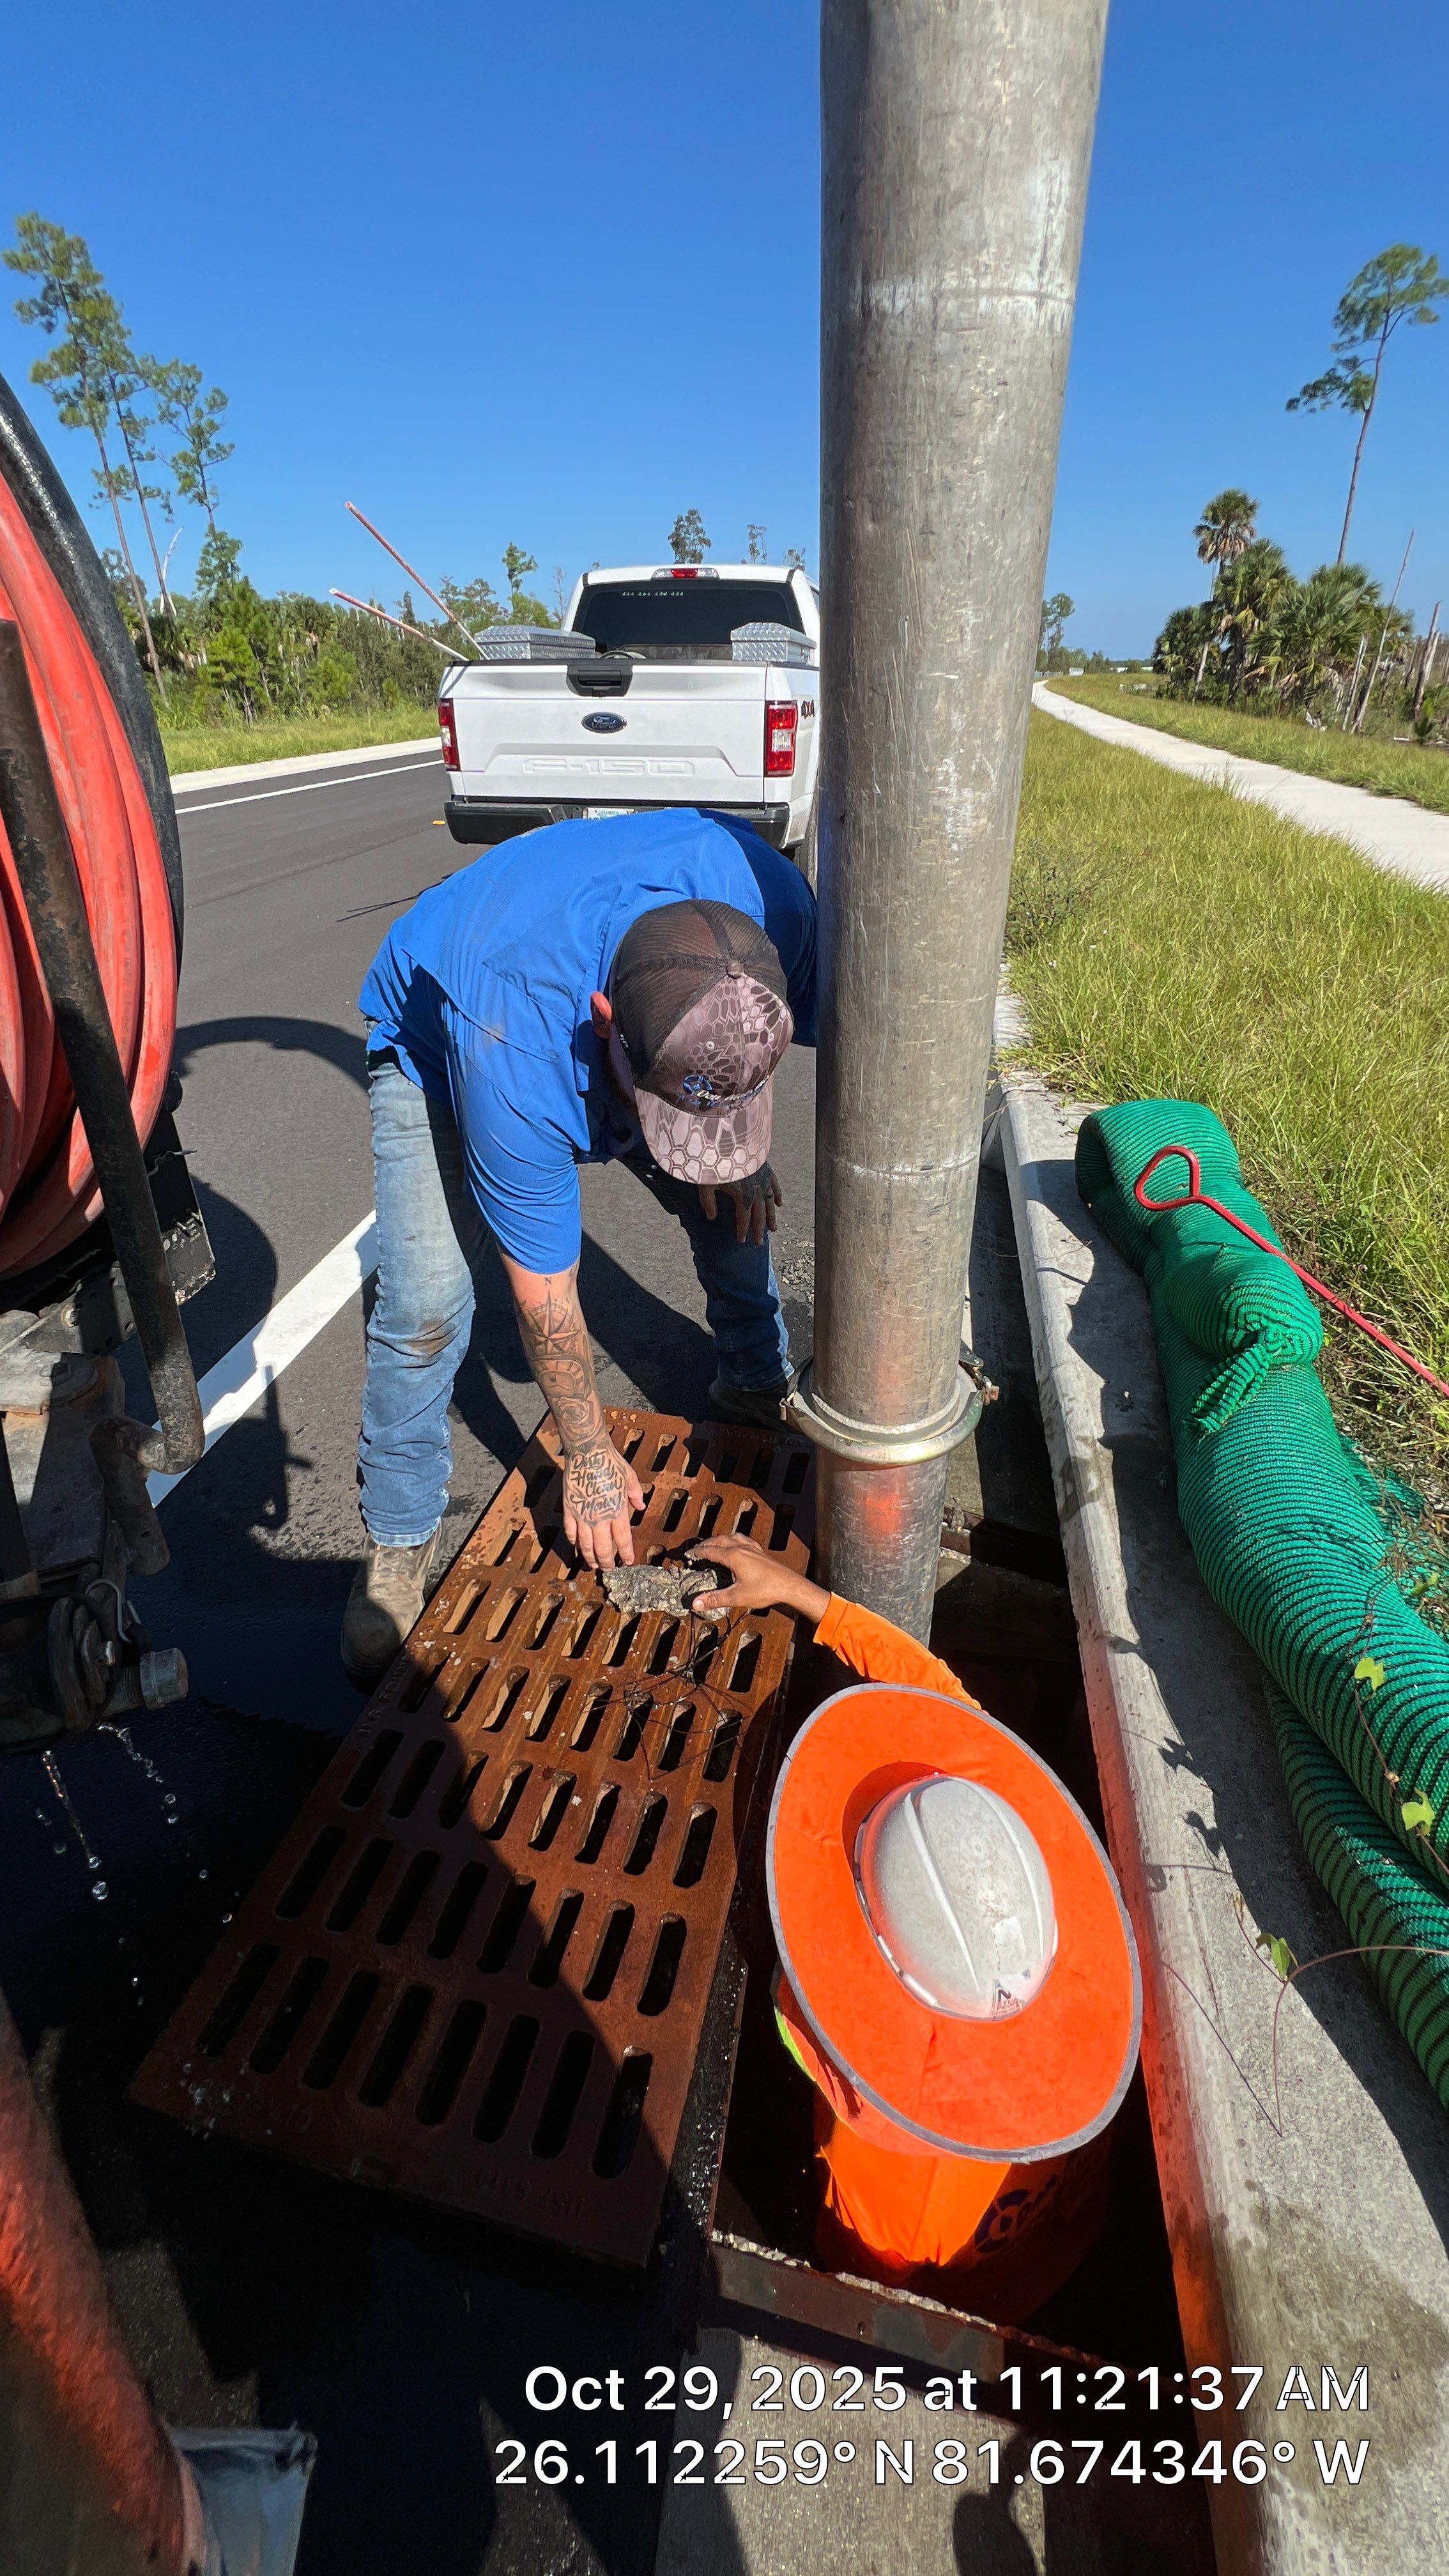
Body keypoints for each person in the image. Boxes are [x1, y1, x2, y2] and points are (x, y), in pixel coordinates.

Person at [341, 806, 816, 1687]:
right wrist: (589, 1454)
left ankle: (754, 1385)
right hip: (443, 1035)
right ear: (606, 1023)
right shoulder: (512, 1051)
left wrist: (733, 1128)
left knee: (728, 1197)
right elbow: (547, 1296)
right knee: (427, 1304)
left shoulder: (777, 908)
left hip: (625, 1021)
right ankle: (399, 1540)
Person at [693, 1535, 1141, 2307]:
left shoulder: (890, 2175)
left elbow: (870, 2296)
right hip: (1074, 2235)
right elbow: (935, 1694)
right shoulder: (1075, 1954)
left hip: (979, 2290)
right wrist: (804, 1596)